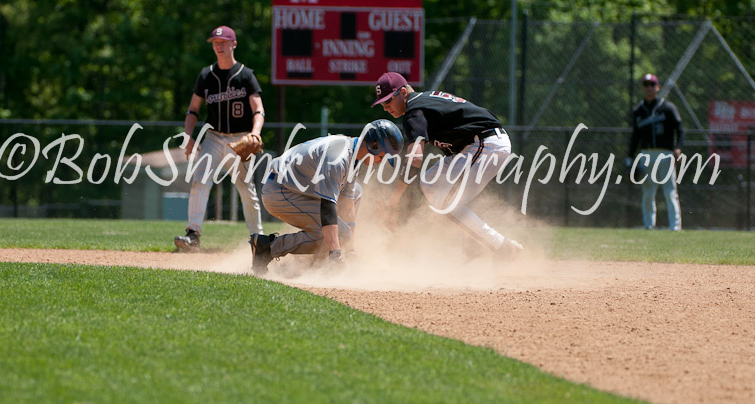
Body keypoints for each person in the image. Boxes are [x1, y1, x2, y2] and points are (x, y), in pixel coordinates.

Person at [372, 72, 523, 258]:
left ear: (403, 92)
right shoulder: (423, 102)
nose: (386, 108)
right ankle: (471, 244)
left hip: (485, 143)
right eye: (382, 104)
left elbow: (415, 158)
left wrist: (393, 200)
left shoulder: (414, 111)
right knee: (430, 184)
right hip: (477, 145)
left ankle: (502, 248)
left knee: (444, 202)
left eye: (388, 101)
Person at [249, 119, 403, 276]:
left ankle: (319, 259)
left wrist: (349, 250)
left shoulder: (353, 154)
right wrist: (336, 254)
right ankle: (266, 248)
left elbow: (347, 203)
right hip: (279, 191)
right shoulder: (338, 158)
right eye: (383, 156)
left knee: (355, 192)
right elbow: (327, 208)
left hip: (293, 189)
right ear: (374, 145)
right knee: (341, 234)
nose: (381, 162)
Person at [174, 25, 265, 251]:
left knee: (246, 188)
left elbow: (258, 109)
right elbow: (193, 109)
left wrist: (255, 133)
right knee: (200, 181)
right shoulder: (206, 75)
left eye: (223, 42)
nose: (219, 46)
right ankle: (193, 234)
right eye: (216, 43)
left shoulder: (245, 75)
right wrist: (188, 136)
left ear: (234, 44)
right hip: (213, 138)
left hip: (240, 139)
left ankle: (258, 239)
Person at [627, 73, 684, 231]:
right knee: (648, 192)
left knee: (670, 192)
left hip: (665, 154)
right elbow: (635, 137)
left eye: (652, 84)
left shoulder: (668, 108)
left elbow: (680, 129)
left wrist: (678, 147)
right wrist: (630, 158)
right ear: (643, 88)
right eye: (646, 84)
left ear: (657, 87)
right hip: (646, 154)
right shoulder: (639, 110)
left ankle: (675, 227)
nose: (649, 88)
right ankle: (648, 225)